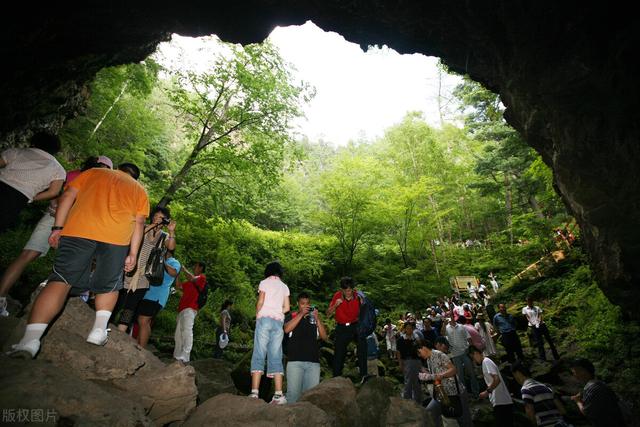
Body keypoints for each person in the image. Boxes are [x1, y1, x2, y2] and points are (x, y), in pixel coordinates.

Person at [8, 163, 149, 358]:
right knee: (109, 285)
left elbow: (67, 196)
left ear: (117, 168)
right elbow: (139, 223)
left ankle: (30, 340)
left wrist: (57, 228)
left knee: (61, 279)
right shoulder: (139, 190)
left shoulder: (94, 172)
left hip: (79, 231)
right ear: (136, 177)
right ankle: (98, 331)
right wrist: (133, 253)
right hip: (116, 238)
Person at [0, 155, 113, 317]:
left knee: (26, 255)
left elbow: (56, 193)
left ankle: (2, 298)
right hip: (78, 225)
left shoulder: (72, 174)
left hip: (54, 216)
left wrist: (54, 205)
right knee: (65, 268)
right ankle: (41, 313)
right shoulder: (103, 183)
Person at [115, 206, 176, 334]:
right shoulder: (143, 228)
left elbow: (171, 247)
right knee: (117, 301)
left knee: (130, 307)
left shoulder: (164, 236)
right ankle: (106, 323)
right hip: (127, 271)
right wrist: (152, 225)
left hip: (143, 277)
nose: (157, 220)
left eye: (161, 218)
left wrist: (171, 232)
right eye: (155, 217)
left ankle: (120, 332)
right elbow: (135, 235)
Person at [0, 131, 66, 233]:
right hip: (17, 197)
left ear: (35, 141)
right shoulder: (58, 169)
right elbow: (53, 192)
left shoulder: (18, 151)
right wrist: (31, 198)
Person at [249, 261, 290, 404]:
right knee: (276, 355)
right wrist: (277, 312)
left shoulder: (264, 283)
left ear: (268, 271)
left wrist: (258, 314)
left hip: (264, 319)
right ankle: (279, 395)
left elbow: (260, 301)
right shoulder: (284, 286)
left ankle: (254, 393)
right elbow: (287, 308)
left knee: (259, 352)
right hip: (278, 322)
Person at [283, 291, 327, 402]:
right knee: (293, 396)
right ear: (298, 303)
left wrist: (317, 319)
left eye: (307, 303)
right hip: (295, 362)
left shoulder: (313, 318)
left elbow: (324, 337)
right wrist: (301, 314)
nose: (305, 306)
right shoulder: (292, 316)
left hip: (313, 363)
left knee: (310, 398)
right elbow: (286, 329)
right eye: (302, 303)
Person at [136, 249, 181, 348]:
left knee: (143, 320)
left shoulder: (174, 262)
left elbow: (173, 273)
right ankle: (139, 345)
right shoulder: (156, 259)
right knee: (144, 321)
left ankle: (141, 348)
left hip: (157, 296)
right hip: (148, 294)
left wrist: (162, 261)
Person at [417, 339, 466, 427]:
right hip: (442, 394)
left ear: (423, 347)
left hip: (453, 392)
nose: (419, 355)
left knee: (462, 419)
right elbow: (435, 374)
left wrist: (439, 376)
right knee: (431, 413)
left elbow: (453, 370)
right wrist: (426, 374)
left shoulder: (439, 354)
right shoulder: (428, 359)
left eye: (419, 352)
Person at [327, 276, 367, 379]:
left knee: (362, 346)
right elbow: (328, 314)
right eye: (345, 290)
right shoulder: (337, 296)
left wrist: (363, 305)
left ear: (353, 289)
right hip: (342, 327)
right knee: (339, 352)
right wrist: (335, 305)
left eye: (350, 290)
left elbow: (366, 311)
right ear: (342, 289)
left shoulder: (358, 296)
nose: (348, 292)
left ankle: (363, 374)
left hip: (355, 326)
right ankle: (336, 376)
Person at [569, 357, 626, 427]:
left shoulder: (592, 389)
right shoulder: (599, 383)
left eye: (574, 372)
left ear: (583, 371)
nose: (574, 376)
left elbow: (587, 412)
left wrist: (577, 401)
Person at [511, 361, 570, 427]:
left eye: (514, 375)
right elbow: (562, 410)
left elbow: (530, 413)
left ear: (518, 373)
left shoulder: (526, 389)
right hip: (560, 423)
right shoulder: (546, 386)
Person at [469, 346, 513, 426]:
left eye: (473, 358)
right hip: (500, 401)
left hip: (501, 401)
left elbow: (497, 379)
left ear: (475, 353)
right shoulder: (486, 362)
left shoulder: (486, 361)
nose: (474, 361)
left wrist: (487, 392)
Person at [173, 261, 207, 363]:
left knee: (187, 332)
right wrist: (177, 274)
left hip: (191, 308)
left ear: (201, 268)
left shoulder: (202, 278)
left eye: (196, 265)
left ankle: (185, 356)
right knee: (178, 334)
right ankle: (177, 356)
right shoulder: (190, 282)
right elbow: (178, 286)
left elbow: (192, 278)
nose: (194, 267)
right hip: (182, 309)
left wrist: (183, 269)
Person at [444, 315, 479, 398]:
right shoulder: (446, 328)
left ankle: (476, 393)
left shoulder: (461, 327)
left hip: (465, 352)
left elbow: (469, 338)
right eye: (449, 317)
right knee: (460, 376)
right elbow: (441, 333)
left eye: (452, 317)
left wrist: (472, 351)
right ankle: (464, 395)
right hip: (455, 355)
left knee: (472, 373)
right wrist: (443, 324)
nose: (451, 319)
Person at [522, 296, 559, 361]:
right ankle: (543, 358)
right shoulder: (525, 309)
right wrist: (533, 323)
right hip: (533, 326)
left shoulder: (536, 307)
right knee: (539, 342)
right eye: (528, 301)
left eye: (531, 301)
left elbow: (540, 315)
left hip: (541, 325)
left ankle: (556, 355)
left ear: (532, 301)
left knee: (549, 339)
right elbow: (527, 317)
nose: (530, 302)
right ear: (526, 302)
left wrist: (539, 322)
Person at [396, 322, 422, 403]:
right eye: (407, 328)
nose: (409, 330)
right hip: (407, 361)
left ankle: (417, 400)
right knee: (408, 381)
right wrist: (400, 363)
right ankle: (407, 399)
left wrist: (417, 341)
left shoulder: (416, 338)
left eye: (411, 328)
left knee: (417, 381)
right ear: (404, 329)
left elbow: (420, 349)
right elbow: (398, 352)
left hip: (417, 361)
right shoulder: (401, 339)